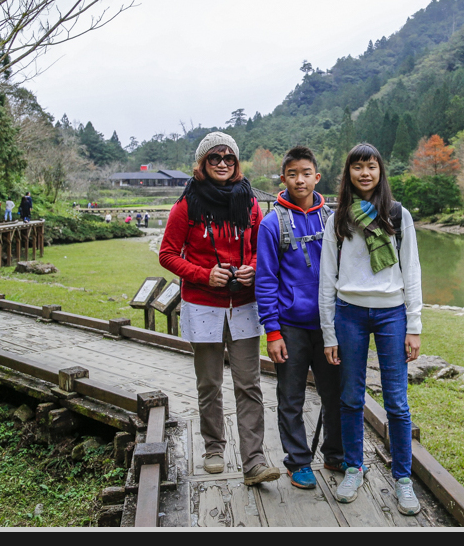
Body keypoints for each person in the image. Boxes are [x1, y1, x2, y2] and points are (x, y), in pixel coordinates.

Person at [158, 132, 280, 487]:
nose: (223, 163)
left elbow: (262, 249)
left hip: (244, 304)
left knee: (249, 383)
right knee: (209, 382)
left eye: (229, 157)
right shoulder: (186, 206)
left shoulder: (251, 203)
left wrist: (253, 267)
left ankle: (254, 460)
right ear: (203, 163)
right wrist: (202, 275)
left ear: (237, 163)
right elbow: (167, 253)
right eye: (215, 158)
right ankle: (213, 447)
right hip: (202, 305)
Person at [319, 143, 423, 515]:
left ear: (381, 171)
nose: (365, 173)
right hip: (349, 314)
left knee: (396, 400)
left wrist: (415, 325)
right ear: (348, 173)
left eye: (372, 166)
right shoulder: (338, 219)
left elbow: (411, 272)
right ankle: (353, 467)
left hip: (391, 313)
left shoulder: (397, 214)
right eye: (357, 167)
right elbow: (326, 279)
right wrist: (329, 332)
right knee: (351, 397)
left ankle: (403, 479)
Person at [255, 146, 344, 489]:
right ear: (283, 179)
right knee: (290, 396)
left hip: (328, 325)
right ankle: (297, 461)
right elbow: (265, 281)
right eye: (292, 174)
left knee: (334, 392)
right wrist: (272, 331)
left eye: (306, 173)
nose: (300, 180)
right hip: (291, 326)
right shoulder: (271, 223)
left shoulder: (332, 219)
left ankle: (335, 454)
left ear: (317, 177)